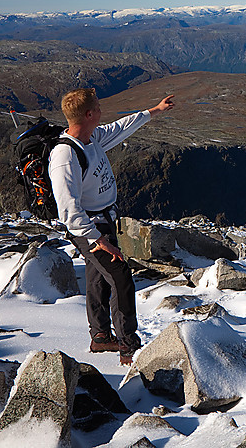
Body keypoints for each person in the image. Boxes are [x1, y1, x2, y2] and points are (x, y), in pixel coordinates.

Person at [49, 88, 175, 364]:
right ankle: (129, 347)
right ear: (89, 114)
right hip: (89, 227)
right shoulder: (65, 157)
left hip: (103, 222)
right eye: (98, 107)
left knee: (98, 277)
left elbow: (121, 127)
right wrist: (97, 239)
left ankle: (101, 337)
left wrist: (155, 110)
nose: (103, 111)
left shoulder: (91, 138)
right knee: (119, 276)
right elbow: (69, 210)